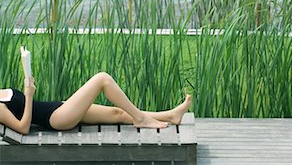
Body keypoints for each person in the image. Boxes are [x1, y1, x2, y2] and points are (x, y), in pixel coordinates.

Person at [0, 73, 192, 135]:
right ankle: (141, 119)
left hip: (57, 107)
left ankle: (170, 115)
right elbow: (22, 127)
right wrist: (29, 94)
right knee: (102, 79)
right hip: (56, 119)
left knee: (119, 113)